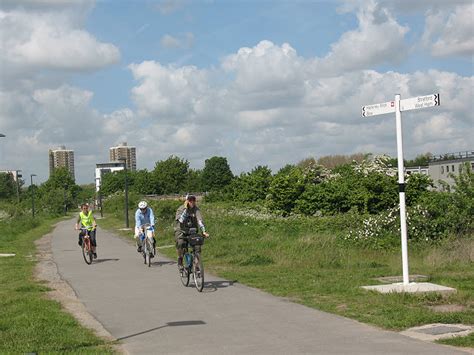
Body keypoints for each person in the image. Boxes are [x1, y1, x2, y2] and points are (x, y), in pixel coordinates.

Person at [174, 194, 209, 270]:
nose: (192, 202)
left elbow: (200, 221)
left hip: (192, 230)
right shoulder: (181, 209)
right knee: (181, 243)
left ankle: (196, 265)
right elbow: (181, 220)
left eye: (194, 200)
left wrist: (204, 231)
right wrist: (186, 209)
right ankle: (180, 259)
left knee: (197, 247)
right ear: (187, 201)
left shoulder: (196, 209)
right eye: (190, 200)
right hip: (181, 230)